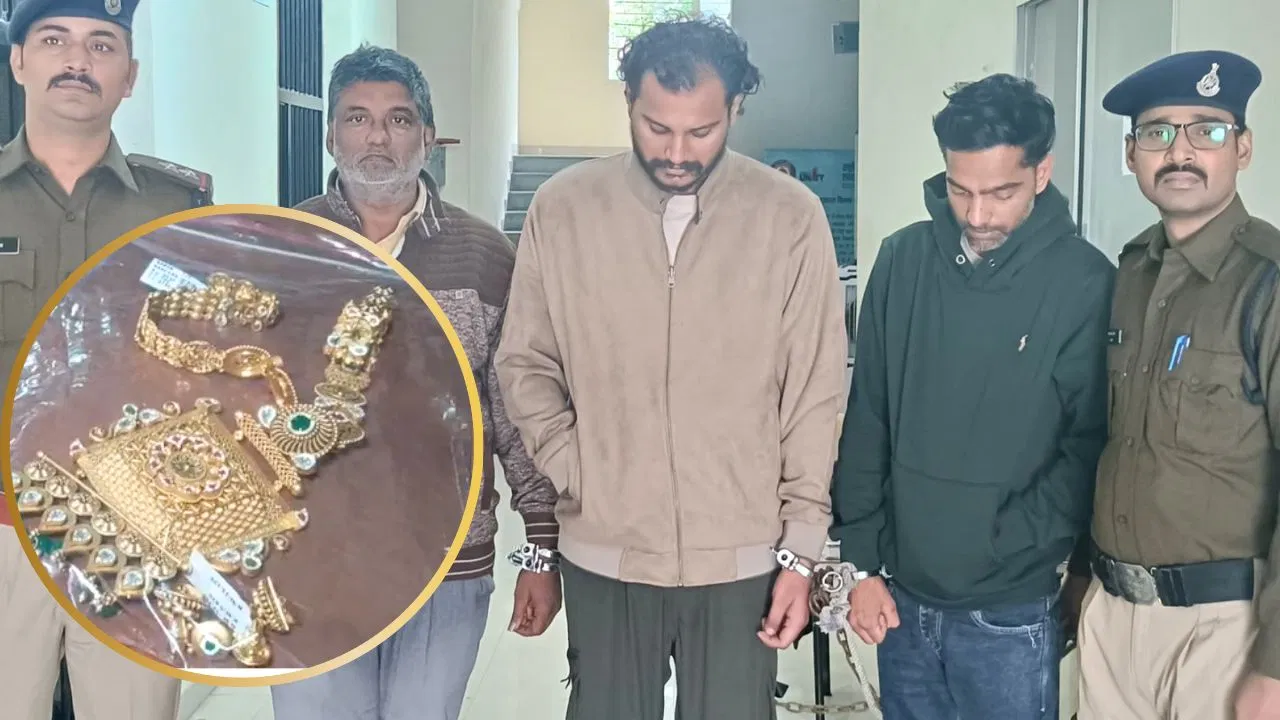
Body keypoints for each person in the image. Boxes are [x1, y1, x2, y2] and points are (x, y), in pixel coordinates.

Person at [495, 15, 847, 720]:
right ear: (628, 100)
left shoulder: (789, 218)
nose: (678, 152)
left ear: (735, 110)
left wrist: (802, 549)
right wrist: (579, 466)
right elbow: (525, 363)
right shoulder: (564, 210)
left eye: (701, 131)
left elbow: (815, 392)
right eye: (657, 127)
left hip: (742, 556)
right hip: (605, 549)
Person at [271, 44, 561, 720]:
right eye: (357, 118)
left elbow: (518, 414)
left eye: (398, 120)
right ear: (331, 135)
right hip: (311, 558)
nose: (377, 137)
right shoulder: (285, 247)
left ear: (427, 138)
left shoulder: (484, 256)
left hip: (447, 563)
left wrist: (540, 549)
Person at [831, 73, 1112, 720]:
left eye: (1000, 193)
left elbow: (1089, 444)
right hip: (900, 596)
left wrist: (1004, 542)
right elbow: (869, 416)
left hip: (1011, 607)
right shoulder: (902, 260)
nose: (978, 215)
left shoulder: (1085, 282)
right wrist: (862, 566)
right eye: (961, 190)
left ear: (1042, 173)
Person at [0, 1, 211, 718]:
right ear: (18, 61)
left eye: (101, 44)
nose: (77, 61)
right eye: (53, 39)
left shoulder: (179, 207)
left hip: (135, 532)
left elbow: (202, 363)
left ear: (130, 76)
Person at [1077, 50, 1280, 720]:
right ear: (1131, 154)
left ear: (1242, 148)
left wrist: (1275, 666)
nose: (1180, 152)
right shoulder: (1128, 273)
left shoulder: (1268, 282)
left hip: (1226, 629)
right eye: (1158, 132)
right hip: (1112, 618)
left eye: (1207, 131)